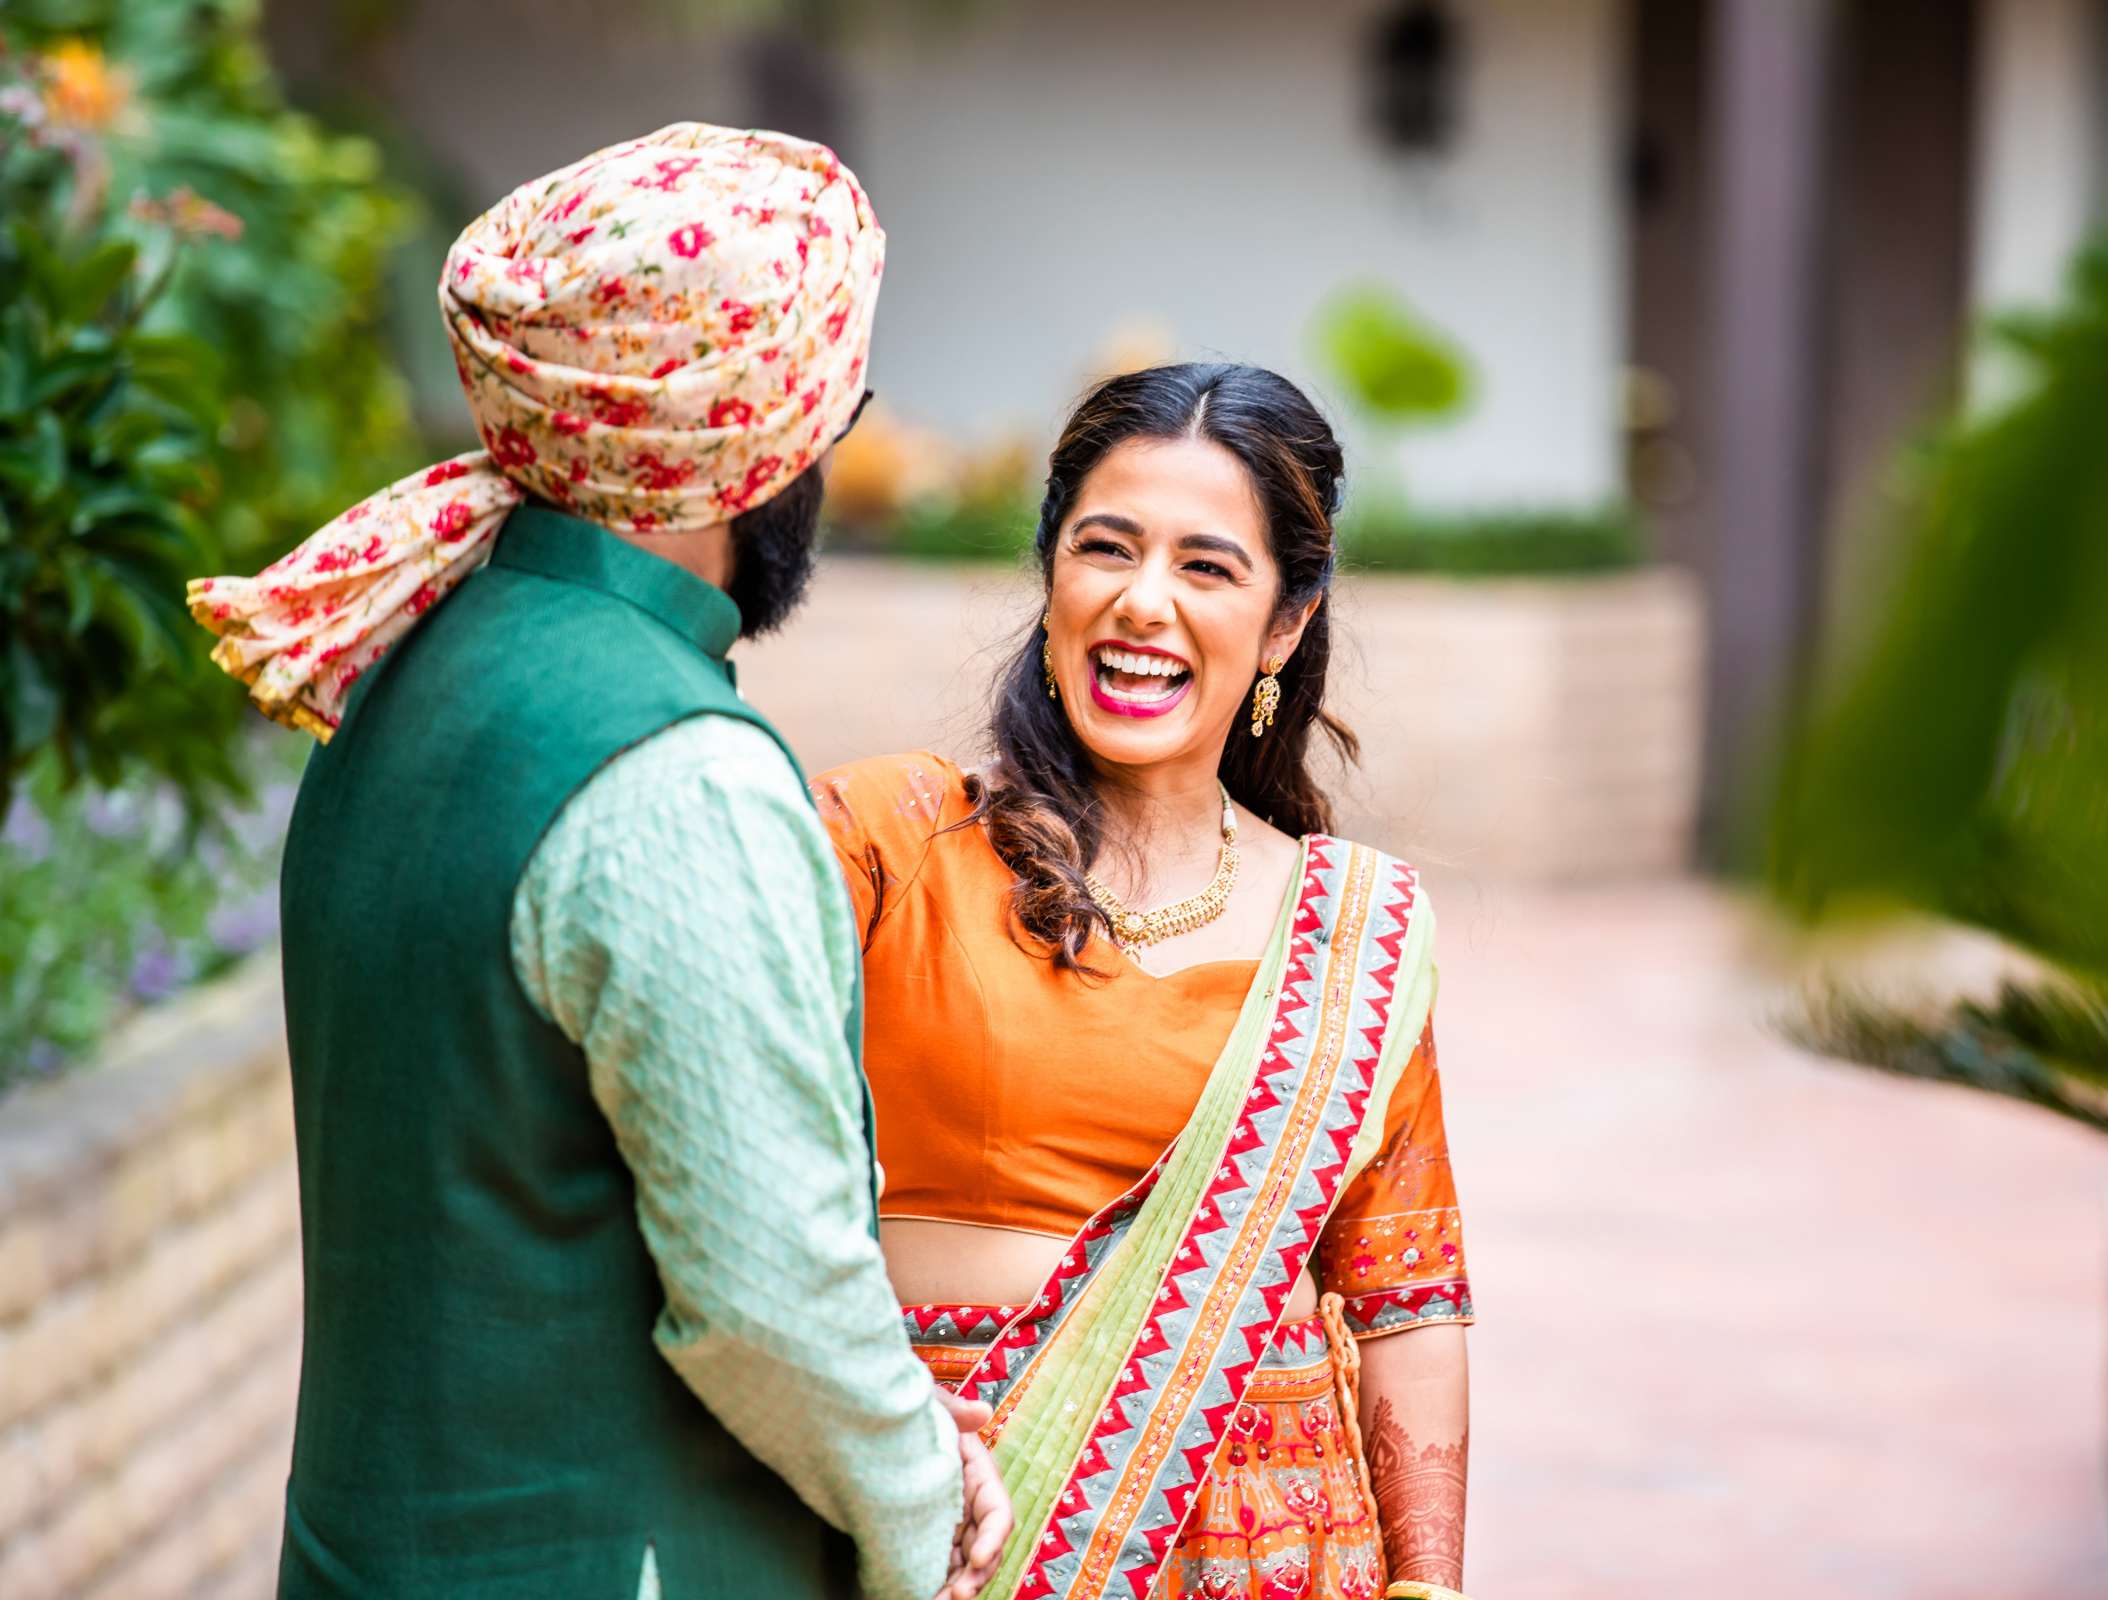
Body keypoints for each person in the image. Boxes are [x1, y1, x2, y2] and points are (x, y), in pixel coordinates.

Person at [187, 123, 1008, 1600]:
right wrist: (923, 1504)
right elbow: (771, 1299)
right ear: (750, 447)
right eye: (834, 408)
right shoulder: (675, 775)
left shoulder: (402, 667)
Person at [813, 363, 1473, 1600]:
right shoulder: (889, 838)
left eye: (1208, 567)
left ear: (1285, 622)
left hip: (1279, 1552)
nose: (1143, 602)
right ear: (1051, 573)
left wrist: (1427, 1585)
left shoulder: (1354, 928)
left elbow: (1409, 1295)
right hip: (957, 1530)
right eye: (1104, 548)